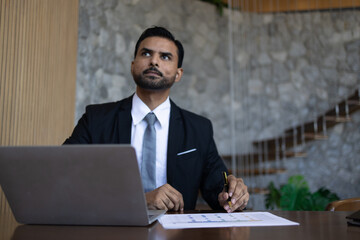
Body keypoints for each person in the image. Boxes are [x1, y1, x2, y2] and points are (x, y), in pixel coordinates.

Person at [64, 26, 249, 212]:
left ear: (178, 74)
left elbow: (217, 188)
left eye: (165, 57)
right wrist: (138, 201)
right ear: (133, 65)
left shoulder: (198, 129)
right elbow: (65, 177)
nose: (154, 61)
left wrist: (231, 196)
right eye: (146, 54)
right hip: (112, 229)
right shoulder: (96, 120)